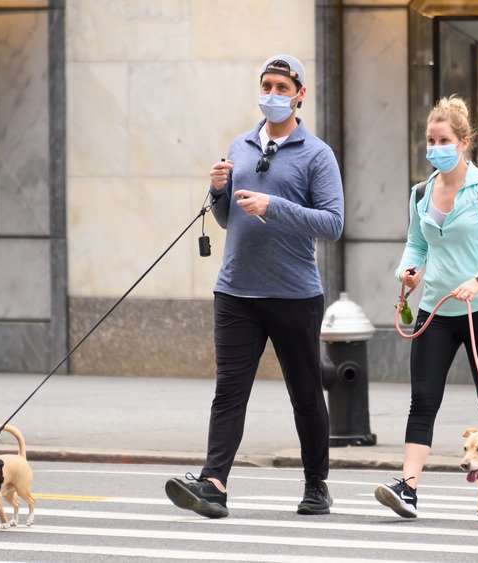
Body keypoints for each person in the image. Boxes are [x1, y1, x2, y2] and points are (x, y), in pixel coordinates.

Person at [165, 54, 344, 519]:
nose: (273, 94)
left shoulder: (317, 154)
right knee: (229, 391)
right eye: (267, 85)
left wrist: (274, 205)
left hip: (294, 294)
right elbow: (225, 220)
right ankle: (213, 485)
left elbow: (332, 224)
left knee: (305, 393)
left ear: (300, 94)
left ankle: (316, 484)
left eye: (283, 88)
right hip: (236, 292)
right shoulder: (240, 145)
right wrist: (219, 191)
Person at [374, 96, 478, 519]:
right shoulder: (421, 192)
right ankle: (408, 488)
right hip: (435, 310)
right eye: (430, 139)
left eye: (443, 139)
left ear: (463, 141)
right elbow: (416, 244)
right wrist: (409, 271)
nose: (435, 147)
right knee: (422, 399)